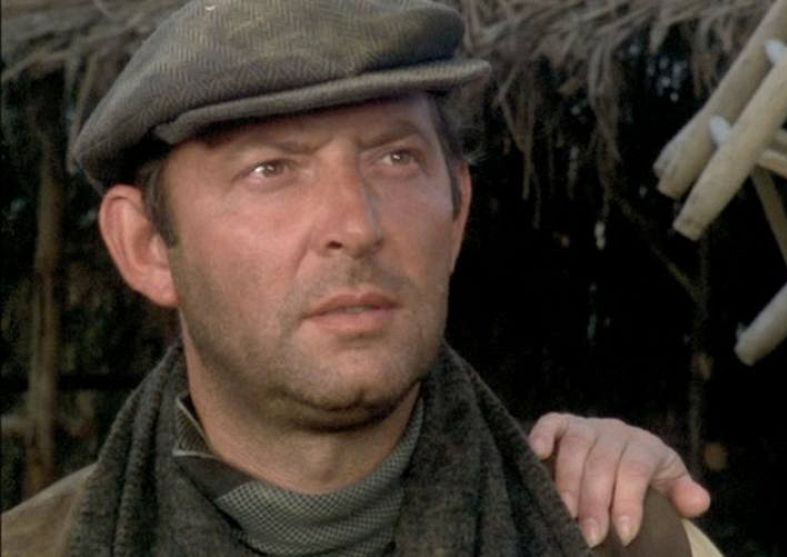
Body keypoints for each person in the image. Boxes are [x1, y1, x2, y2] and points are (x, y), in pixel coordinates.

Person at [1, 1, 720, 555]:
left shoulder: (624, 537)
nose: (357, 222)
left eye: (396, 158)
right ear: (147, 247)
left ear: (457, 211)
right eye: (270, 169)